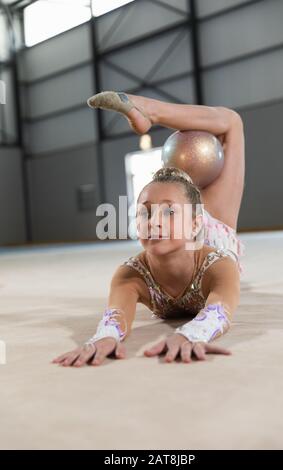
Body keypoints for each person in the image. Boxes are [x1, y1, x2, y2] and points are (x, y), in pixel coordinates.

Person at [52, 92, 245, 367]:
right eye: (145, 212)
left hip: (214, 226)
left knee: (232, 123)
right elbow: (115, 316)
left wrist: (193, 333)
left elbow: (219, 309)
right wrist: (104, 337)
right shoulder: (131, 274)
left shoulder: (219, 263)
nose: (153, 221)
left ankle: (151, 111)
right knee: (226, 126)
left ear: (194, 222)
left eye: (167, 211)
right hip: (189, 217)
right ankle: (149, 115)